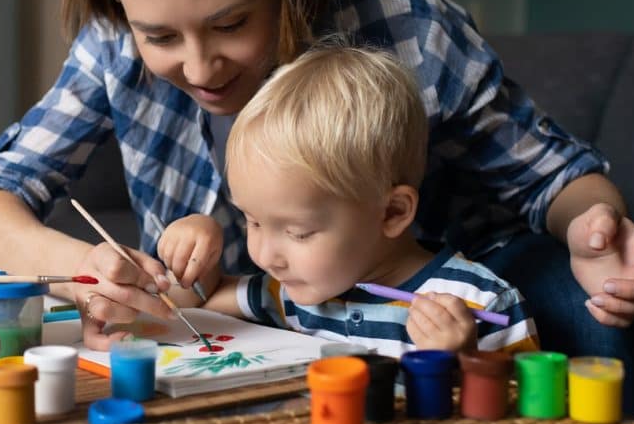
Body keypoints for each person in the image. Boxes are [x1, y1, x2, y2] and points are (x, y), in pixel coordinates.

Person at [0, 0, 634, 412]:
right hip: (253, 303)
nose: (200, 69)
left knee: (589, 313)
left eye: (231, 23)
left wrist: (595, 230)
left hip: (436, 292)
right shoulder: (114, 36)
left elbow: (552, 176)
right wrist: (83, 268)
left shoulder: (399, 15)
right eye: (161, 37)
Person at [182, 43, 540, 355]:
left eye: (298, 232)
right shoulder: (289, 293)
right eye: (253, 222)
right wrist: (196, 247)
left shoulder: (482, 302)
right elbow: (192, 305)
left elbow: (533, 405)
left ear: (393, 212)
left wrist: (460, 362)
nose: (263, 256)